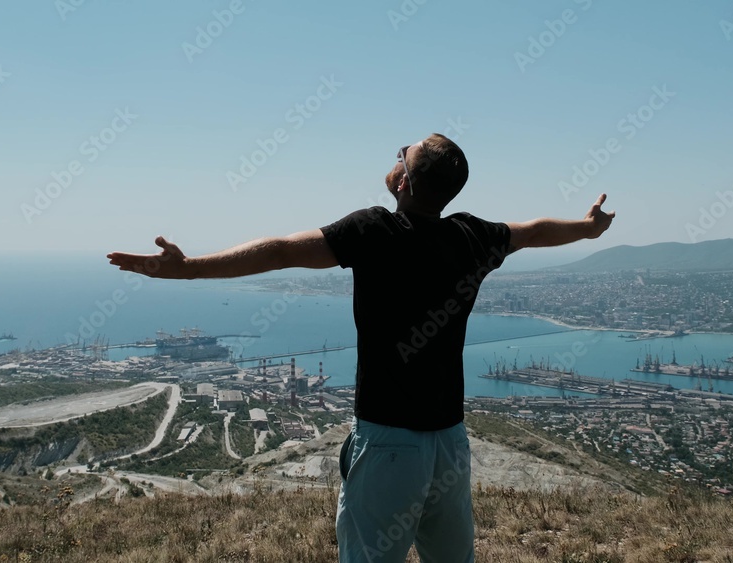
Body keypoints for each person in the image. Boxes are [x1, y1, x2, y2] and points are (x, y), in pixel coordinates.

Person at [106, 133, 615, 562]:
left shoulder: (375, 230)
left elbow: (281, 250)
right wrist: (588, 229)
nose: (395, 158)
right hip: (450, 444)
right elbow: (534, 231)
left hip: (389, 442)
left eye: (402, 154)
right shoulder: (472, 236)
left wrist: (189, 267)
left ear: (403, 181)